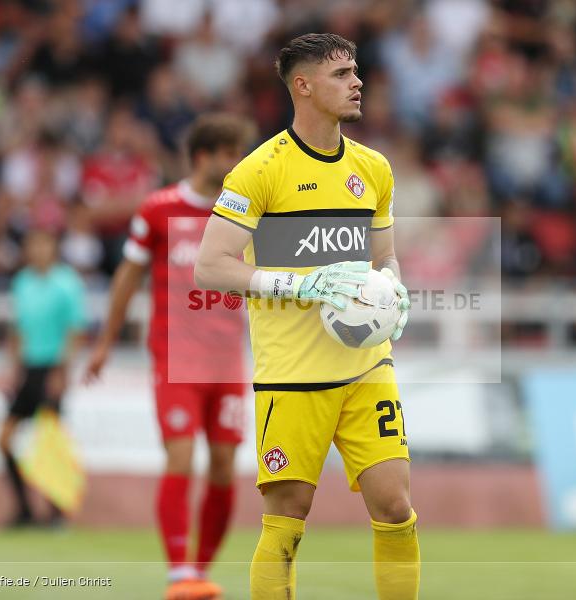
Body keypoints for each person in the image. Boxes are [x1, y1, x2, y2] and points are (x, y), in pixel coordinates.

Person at [195, 34, 417, 599]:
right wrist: (299, 283)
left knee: (395, 508)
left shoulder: (373, 169)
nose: (357, 81)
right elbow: (210, 267)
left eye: (356, 71)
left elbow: (382, 255)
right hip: (294, 376)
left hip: (367, 368)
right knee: (287, 522)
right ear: (304, 86)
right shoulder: (259, 171)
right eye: (342, 73)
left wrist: (393, 285)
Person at [84, 113, 254, 600]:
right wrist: (103, 344)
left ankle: (199, 570)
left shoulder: (243, 214)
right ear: (204, 157)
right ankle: (179, 571)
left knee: (223, 466)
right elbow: (127, 278)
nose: (237, 163)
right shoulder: (159, 209)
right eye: (229, 153)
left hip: (227, 361)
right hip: (175, 356)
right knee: (180, 456)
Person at [0, 228, 87, 527]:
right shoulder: (22, 282)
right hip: (29, 367)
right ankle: (24, 509)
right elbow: (17, 328)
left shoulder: (66, 283)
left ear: (53, 248)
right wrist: (14, 369)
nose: (38, 250)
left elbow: (74, 331)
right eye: (33, 243)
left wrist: (63, 372)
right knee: (4, 439)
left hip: (52, 368)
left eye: (43, 243)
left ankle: (55, 513)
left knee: (50, 441)